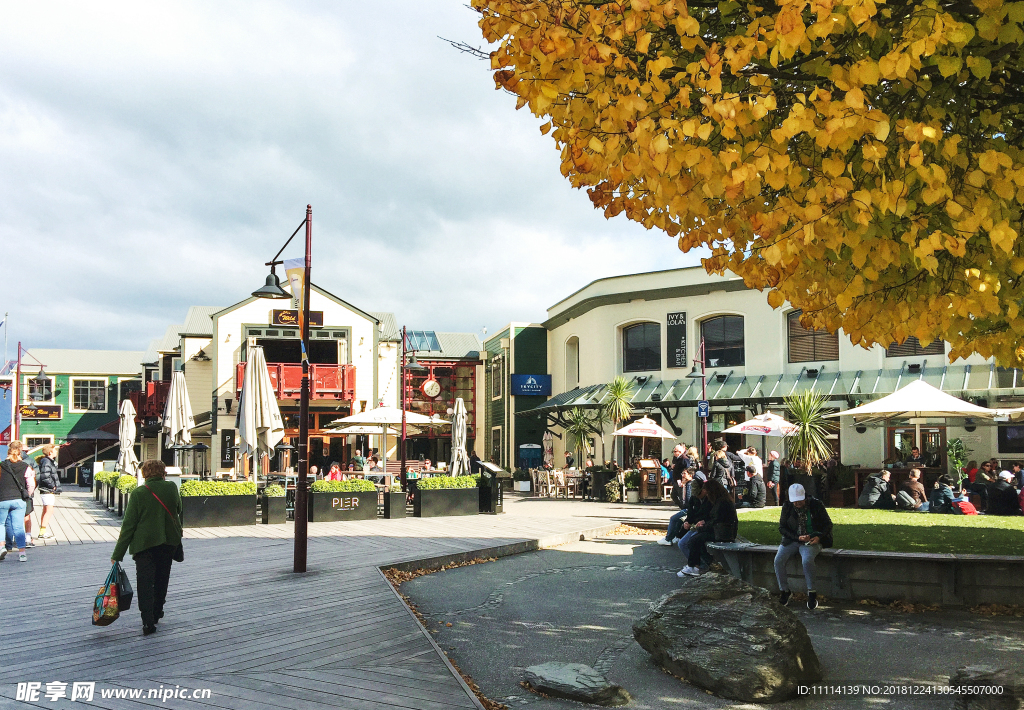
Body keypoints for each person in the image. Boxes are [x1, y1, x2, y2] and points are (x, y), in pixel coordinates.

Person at [111, 459, 182, 636]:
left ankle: (147, 621)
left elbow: (128, 526)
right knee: (161, 579)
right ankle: (157, 611)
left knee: (145, 583)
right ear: (163, 472)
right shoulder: (172, 488)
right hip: (168, 543)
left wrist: (117, 554)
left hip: (144, 546)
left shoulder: (138, 493)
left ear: (145, 473)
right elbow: (178, 509)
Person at [774, 483, 833, 610]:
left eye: (799, 501)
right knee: (778, 560)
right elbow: (782, 528)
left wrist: (819, 537)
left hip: (812, 539)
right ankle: (784, 590)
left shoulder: (816, 505)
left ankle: (812, 592)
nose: (797, 504)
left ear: (805, 497)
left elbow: (828, 524)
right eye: (794, 501)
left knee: (807, 560)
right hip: (792, 539)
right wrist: (796, 538)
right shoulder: (787, 506)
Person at [679, 480, 737, 577]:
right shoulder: (720, 501)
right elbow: (715, 520)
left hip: (723, 532)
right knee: (696, 539)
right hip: (720, 529)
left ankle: (694, 566)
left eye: (707, 492)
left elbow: (716, 520)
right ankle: (706, 565)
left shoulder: (722, 503)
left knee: (694, 540)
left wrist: (702, 527)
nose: (706, 494)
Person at [0, 441, 32, 562]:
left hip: (2, 499)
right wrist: (27, 495)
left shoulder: (1, 465)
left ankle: (2, 547)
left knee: (1, 524)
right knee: (19, 527)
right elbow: (31, 484)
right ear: (20, 452)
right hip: (19, 500)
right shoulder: (26, 466)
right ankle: (22, 553)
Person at [659, 468, 694, 545]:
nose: (682, 476)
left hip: (689, 509)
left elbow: (688, 499)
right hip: (687, 508)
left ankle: (668, 539)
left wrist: (685, 508)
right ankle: (675, 536)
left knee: (673, 518)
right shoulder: (687, 484)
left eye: (684, 473)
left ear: (690, 475)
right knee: (678, 520)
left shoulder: (690, 485)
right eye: (682, 474)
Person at [35, 444, 61, 539]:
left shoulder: (47, 461)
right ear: (50, 452)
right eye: (55, 450)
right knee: (49, 510)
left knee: (46, 509)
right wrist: (52, 486)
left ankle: (42, 530)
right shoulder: (47, 462)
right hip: (47, 489)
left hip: (46, 489)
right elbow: (45, 476)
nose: (56, 452)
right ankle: (42, 531)